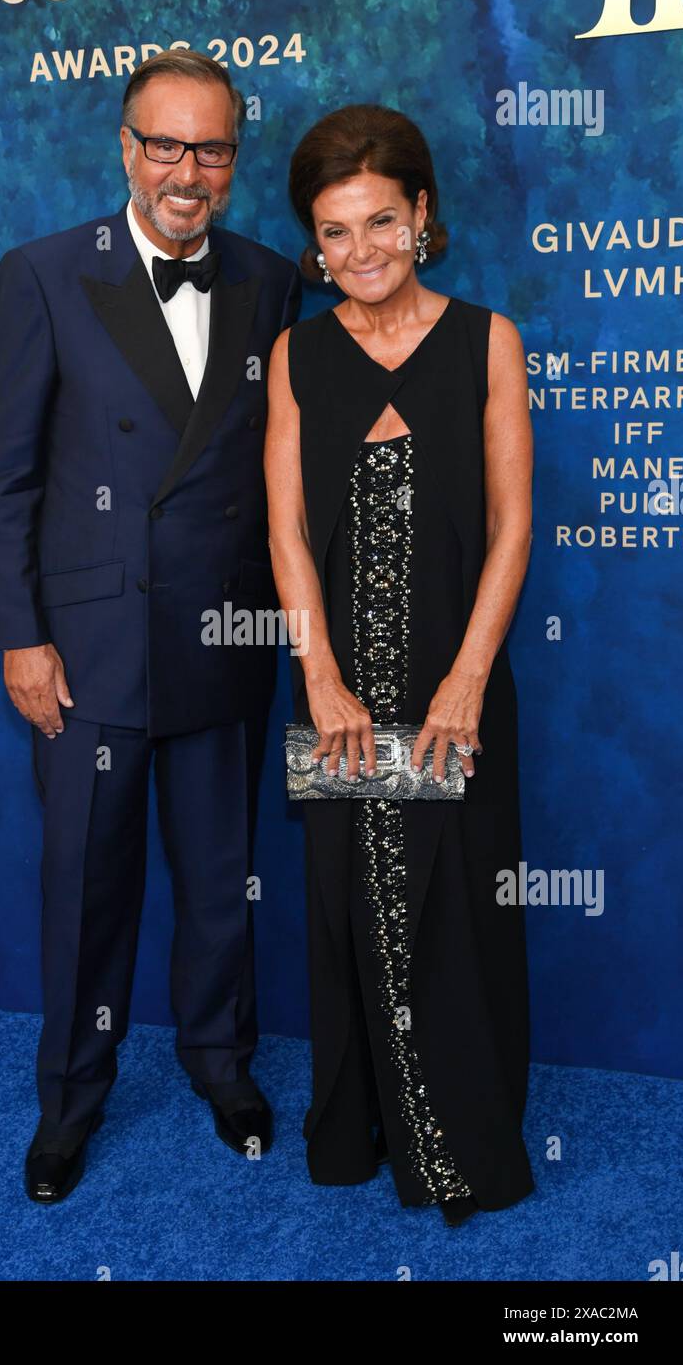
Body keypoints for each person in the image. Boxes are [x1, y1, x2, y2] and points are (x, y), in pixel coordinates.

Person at [0, 49, 302, 1203]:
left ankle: (222, 1065)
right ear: (126, 148)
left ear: (232, 159)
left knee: (222, 879)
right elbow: (6, 478)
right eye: (164, 143)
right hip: (87, 650)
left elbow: (275, 477)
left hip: (223, 639)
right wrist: (21, 633)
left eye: (209, 147)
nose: (186, 169)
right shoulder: (45, 274)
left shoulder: (269, 279)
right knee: (86, 889)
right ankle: (70, 1098)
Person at [264, 104, 535, 1227]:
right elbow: (283, 532)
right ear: (312, 243)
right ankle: (357, 1128)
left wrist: (468, 676)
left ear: (421, 215)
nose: (359, 251)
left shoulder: (486, 339)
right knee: (348, 906)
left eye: (380, 220)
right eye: (333, 232)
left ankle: (461, 1148)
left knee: (451, 904)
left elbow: (514, 523)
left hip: (450, 679)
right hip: (335, 686)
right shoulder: (296, 352)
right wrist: (318, 674)